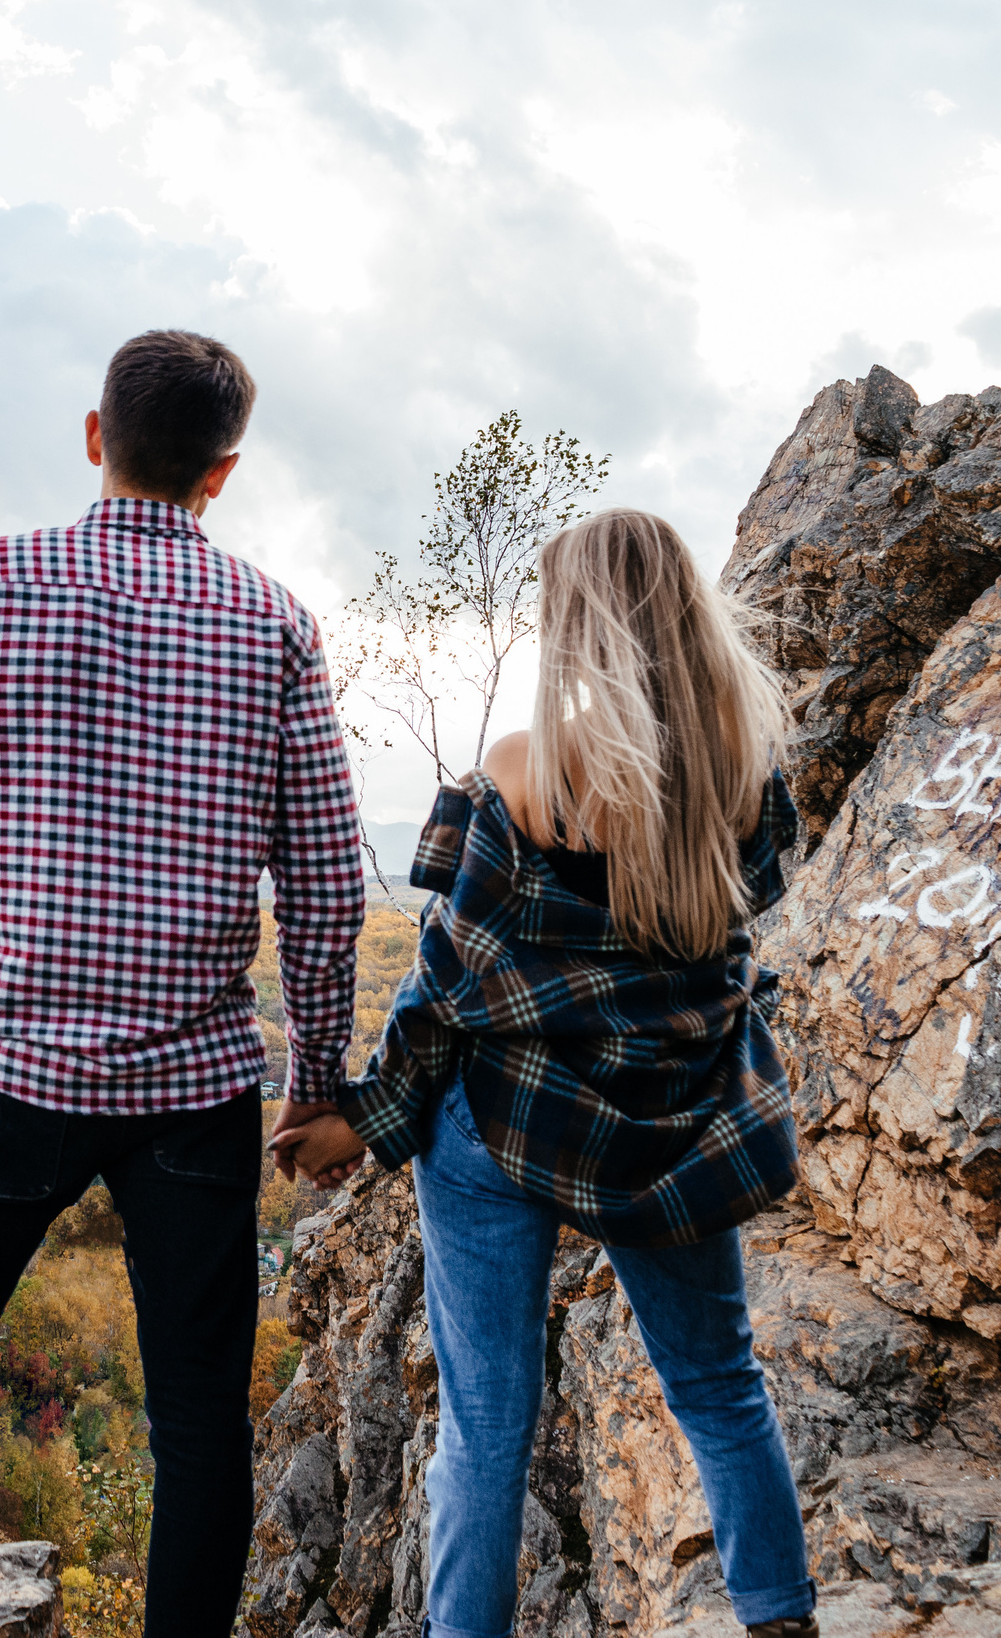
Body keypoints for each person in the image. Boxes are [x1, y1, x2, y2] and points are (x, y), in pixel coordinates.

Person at [0, 330, 367, 1634]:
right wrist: (316, 1081)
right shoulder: (274, 620)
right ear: (222, 474)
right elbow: (329, 893)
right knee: (196, 1428)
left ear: (94, 436)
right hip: (194, 1090)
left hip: (3, 1068)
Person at [275, 508, 820, 1638]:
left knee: (483, 1429)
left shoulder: (525, 774)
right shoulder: (744, 770)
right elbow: (745, 924)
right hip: (674, 1126)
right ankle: (780, 1615)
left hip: (509, 1125)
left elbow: (448, 988)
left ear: (571, 624)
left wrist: (364, 1123)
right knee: (719, 1387)